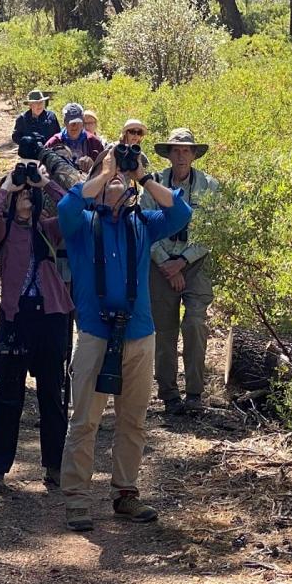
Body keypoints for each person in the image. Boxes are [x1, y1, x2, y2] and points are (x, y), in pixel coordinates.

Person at [55, 146, 191, 528]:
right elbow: (67, 205)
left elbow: (180, 213)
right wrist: (104, 172)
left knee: (133, 420)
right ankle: (77, 499)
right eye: (107, 170)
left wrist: (142, 176)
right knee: (85, 420)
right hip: (95, 334)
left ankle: (126, 494)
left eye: (119, 171)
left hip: (139, 334)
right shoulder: (81, 224)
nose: (115, 174)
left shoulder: (142, 223)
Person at [0, 163, 73, 494]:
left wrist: (45, 183)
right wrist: (8, 184)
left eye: (29, 195)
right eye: (20, 195)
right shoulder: (3, 232)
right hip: (15, 317)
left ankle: (55, 467)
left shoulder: (47, 229)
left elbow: (72, 210)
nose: (25, 198)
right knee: (8, 396)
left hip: (51, 316)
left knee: (52, 395)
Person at [139, 128, 220, 416]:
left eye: (186, 150)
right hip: (160, 264)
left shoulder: (210, 185)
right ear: (169, 154)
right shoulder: (154, 183)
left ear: (194, 154)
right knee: (164, 330)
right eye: (176, 150)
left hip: (195, 263)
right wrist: (166, 264)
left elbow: (213, 231)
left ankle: (195, 393)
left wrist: (182, 262)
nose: (181, 155)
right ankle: (169, 395)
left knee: (195, 323)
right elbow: (143, 226)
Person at [45, 102, 105, 167]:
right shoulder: (54, 142)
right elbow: (41, 166)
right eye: (71, 122)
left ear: (82, 122)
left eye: (77, 122)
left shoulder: (94, 142)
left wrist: (93, 164)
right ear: (65, 123)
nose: (74, 126)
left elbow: (105, 167)